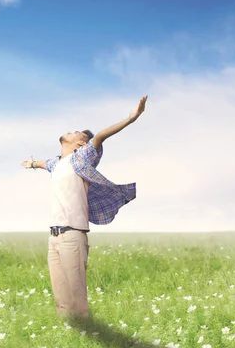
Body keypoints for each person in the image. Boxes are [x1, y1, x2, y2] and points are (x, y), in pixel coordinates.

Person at [21, 95, 148, 319]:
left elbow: (100, 136)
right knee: (60, 296)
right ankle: (68, 333)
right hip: (54, 236)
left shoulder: (81, 158)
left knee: (76, 296)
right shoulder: (57, 163)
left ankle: (87, 333)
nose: (74, 130)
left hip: (73, 234)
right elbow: (43, 163)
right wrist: (32, 164)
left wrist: (132, 117)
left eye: (78, 132)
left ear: (81, 144)